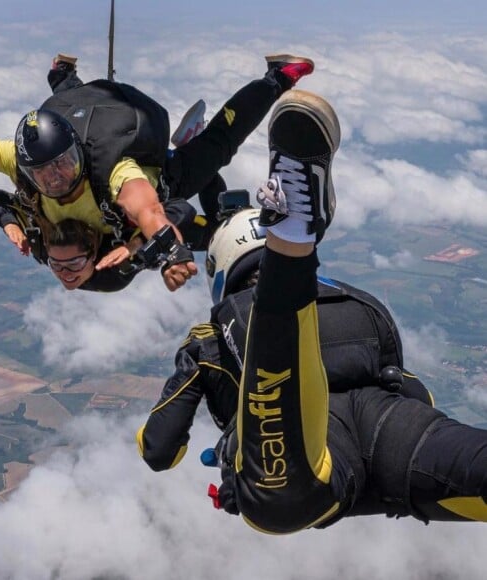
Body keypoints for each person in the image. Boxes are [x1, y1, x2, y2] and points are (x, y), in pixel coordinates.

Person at [138, 89, 487, 534]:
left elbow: (158, 449)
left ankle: (293, 234)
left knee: (273, 505)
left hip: (309, 464)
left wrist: (236, 452)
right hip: (390, 427)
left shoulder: (210, 338)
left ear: (223, 273)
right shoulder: (357, 302)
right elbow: (417, 396)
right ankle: (293, 237)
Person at [0, 52, 314, 292]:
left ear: (76, 154)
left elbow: (152, 210)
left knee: (218, 146)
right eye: (44, 172)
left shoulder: (112, 170)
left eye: (64, 165)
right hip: (90, 126)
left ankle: (276, 77)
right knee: (71, 100)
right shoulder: (30, 174)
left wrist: (170, 251)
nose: (55, 179)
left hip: (156, 169)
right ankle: (63, 78)